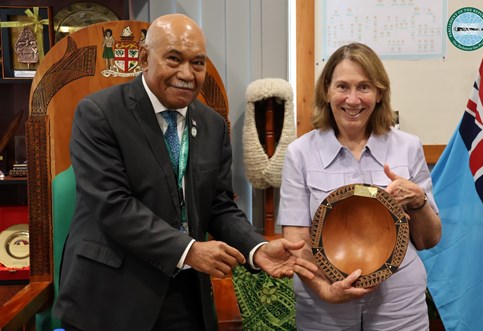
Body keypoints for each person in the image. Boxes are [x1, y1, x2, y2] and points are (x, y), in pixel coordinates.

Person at [53, 14, 316, 331]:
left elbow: (218, 205)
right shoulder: (99, 113)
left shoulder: (212, 125)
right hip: (111, 296)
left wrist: (256, 248)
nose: (187, 74)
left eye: (197, 63)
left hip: (185, 294)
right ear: (145, 57)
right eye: (174, 59)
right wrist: (189, 250)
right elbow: (113, 205)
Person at [277, 42, 442, 330]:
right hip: (325, 309)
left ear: (379, 93)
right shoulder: (300, 153)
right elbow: (297, 243)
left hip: (398, 305)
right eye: (342, 86)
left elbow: (429, 240)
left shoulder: (407, 147)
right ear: (327, 90)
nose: (353, 100)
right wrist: (325, 290)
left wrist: (417, 201)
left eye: (364, 87)